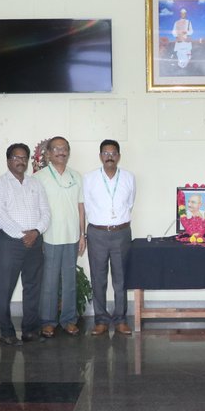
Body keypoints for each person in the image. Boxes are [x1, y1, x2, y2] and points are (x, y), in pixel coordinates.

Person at [0, 142, 50, 345]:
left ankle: (30, 330)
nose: (21, 161)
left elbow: (46, 212)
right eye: (16, 158)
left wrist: (36, 232)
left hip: (35, 240)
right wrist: (23, 235)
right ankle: (6, 332)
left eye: (24, 158)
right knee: (5, 287)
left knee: (33, 286)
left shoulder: (36, 184)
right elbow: (0, 215)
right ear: (8, 160)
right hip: (10, 243)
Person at [34, 136, 86, 337]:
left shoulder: (76, 176)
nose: (61, 152)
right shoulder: (39, 177)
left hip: (72, 236)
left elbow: (81, 207)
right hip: (50, 237)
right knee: (50, 281)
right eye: (56, 149)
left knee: (70, 281)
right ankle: (48, 321)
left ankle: (69, 320)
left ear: (69, 152)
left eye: (64, 148)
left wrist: (83, 235)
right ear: (48, 153)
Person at [83, 140, 135, 336]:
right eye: (106, 153)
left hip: (121, 232)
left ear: (119, 156)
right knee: (98, 278)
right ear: (100, 156)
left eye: (113, 153)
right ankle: (101, 320)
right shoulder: (89, 178)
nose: (110, 156)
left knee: (121, 279)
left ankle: (121, 319)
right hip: (97, 233)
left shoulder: (129, 178)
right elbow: (87, 206)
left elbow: (129, 204)